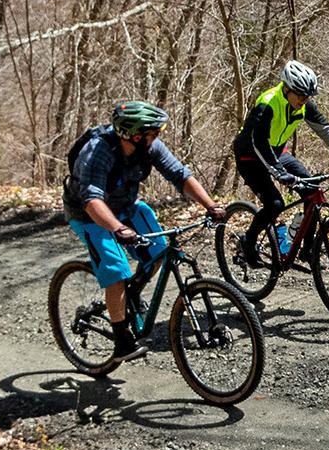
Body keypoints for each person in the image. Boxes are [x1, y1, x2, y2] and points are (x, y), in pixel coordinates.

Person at [63, 100, 225, 361]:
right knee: (116, 270)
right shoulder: (98, 152)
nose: (157, 137)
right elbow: (92, 200)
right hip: (90, 214)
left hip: (125, 206)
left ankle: (133, 293)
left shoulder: (149, 147)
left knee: (159, 250)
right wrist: (117, 228)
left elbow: (179, 174)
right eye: (153, 133)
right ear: (134, 135)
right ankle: (122, 340)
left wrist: (210, 205)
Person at [232, 60, 329, 261]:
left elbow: (325, 129)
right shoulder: (268, 103)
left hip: (277, 151)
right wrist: (279, 172)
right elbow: (258, 142)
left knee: (312, 191)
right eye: (300, 95)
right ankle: (248, 241)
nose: (304, 100)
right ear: (288, 89)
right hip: (250, 155)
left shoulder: (304, 104)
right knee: (275, 204)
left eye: (308, 96)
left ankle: (307, 250)